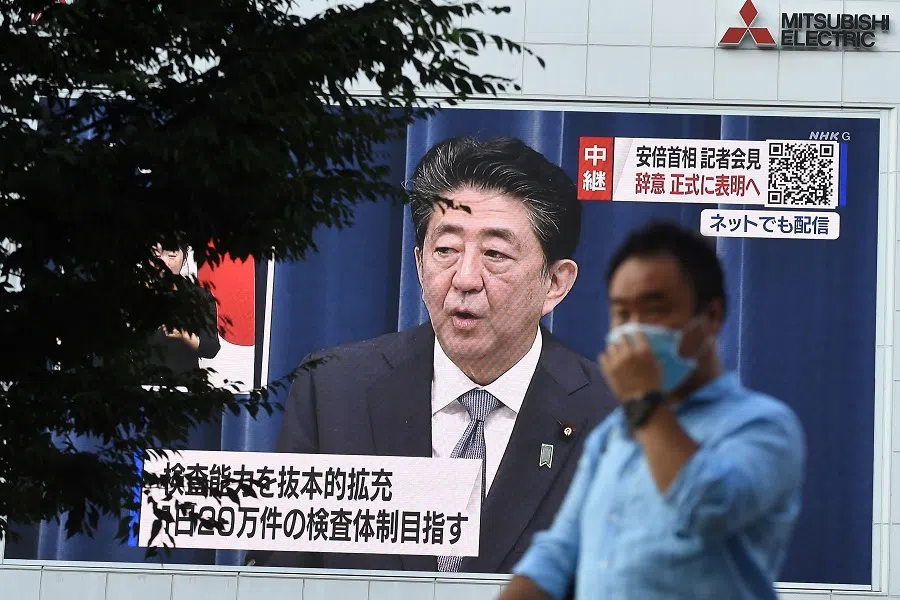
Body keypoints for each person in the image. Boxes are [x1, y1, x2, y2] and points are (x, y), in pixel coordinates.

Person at [245, 136, 618, 573]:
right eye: (446, 250)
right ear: (420, 265)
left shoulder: (616, 417)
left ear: (555, 282)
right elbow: (281, 576)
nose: (464, 278)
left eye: (495, 254)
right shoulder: (332, 390)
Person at [501, 221, 806, 600]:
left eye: (654, 309)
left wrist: (645, 402)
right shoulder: (613, 435)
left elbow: (707, 507)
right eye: (622, 313)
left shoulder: (763, 426)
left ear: (710, 317)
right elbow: (557, 554)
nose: (634, 331)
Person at [148, 242, 221, 378]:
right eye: (157, 255)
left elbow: (211, 347)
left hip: (183, 384)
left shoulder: (199, 297)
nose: (164, 262)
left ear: (185, 259)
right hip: (140, 384)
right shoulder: (134, 294)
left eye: (171, 255)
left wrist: (184, 336)